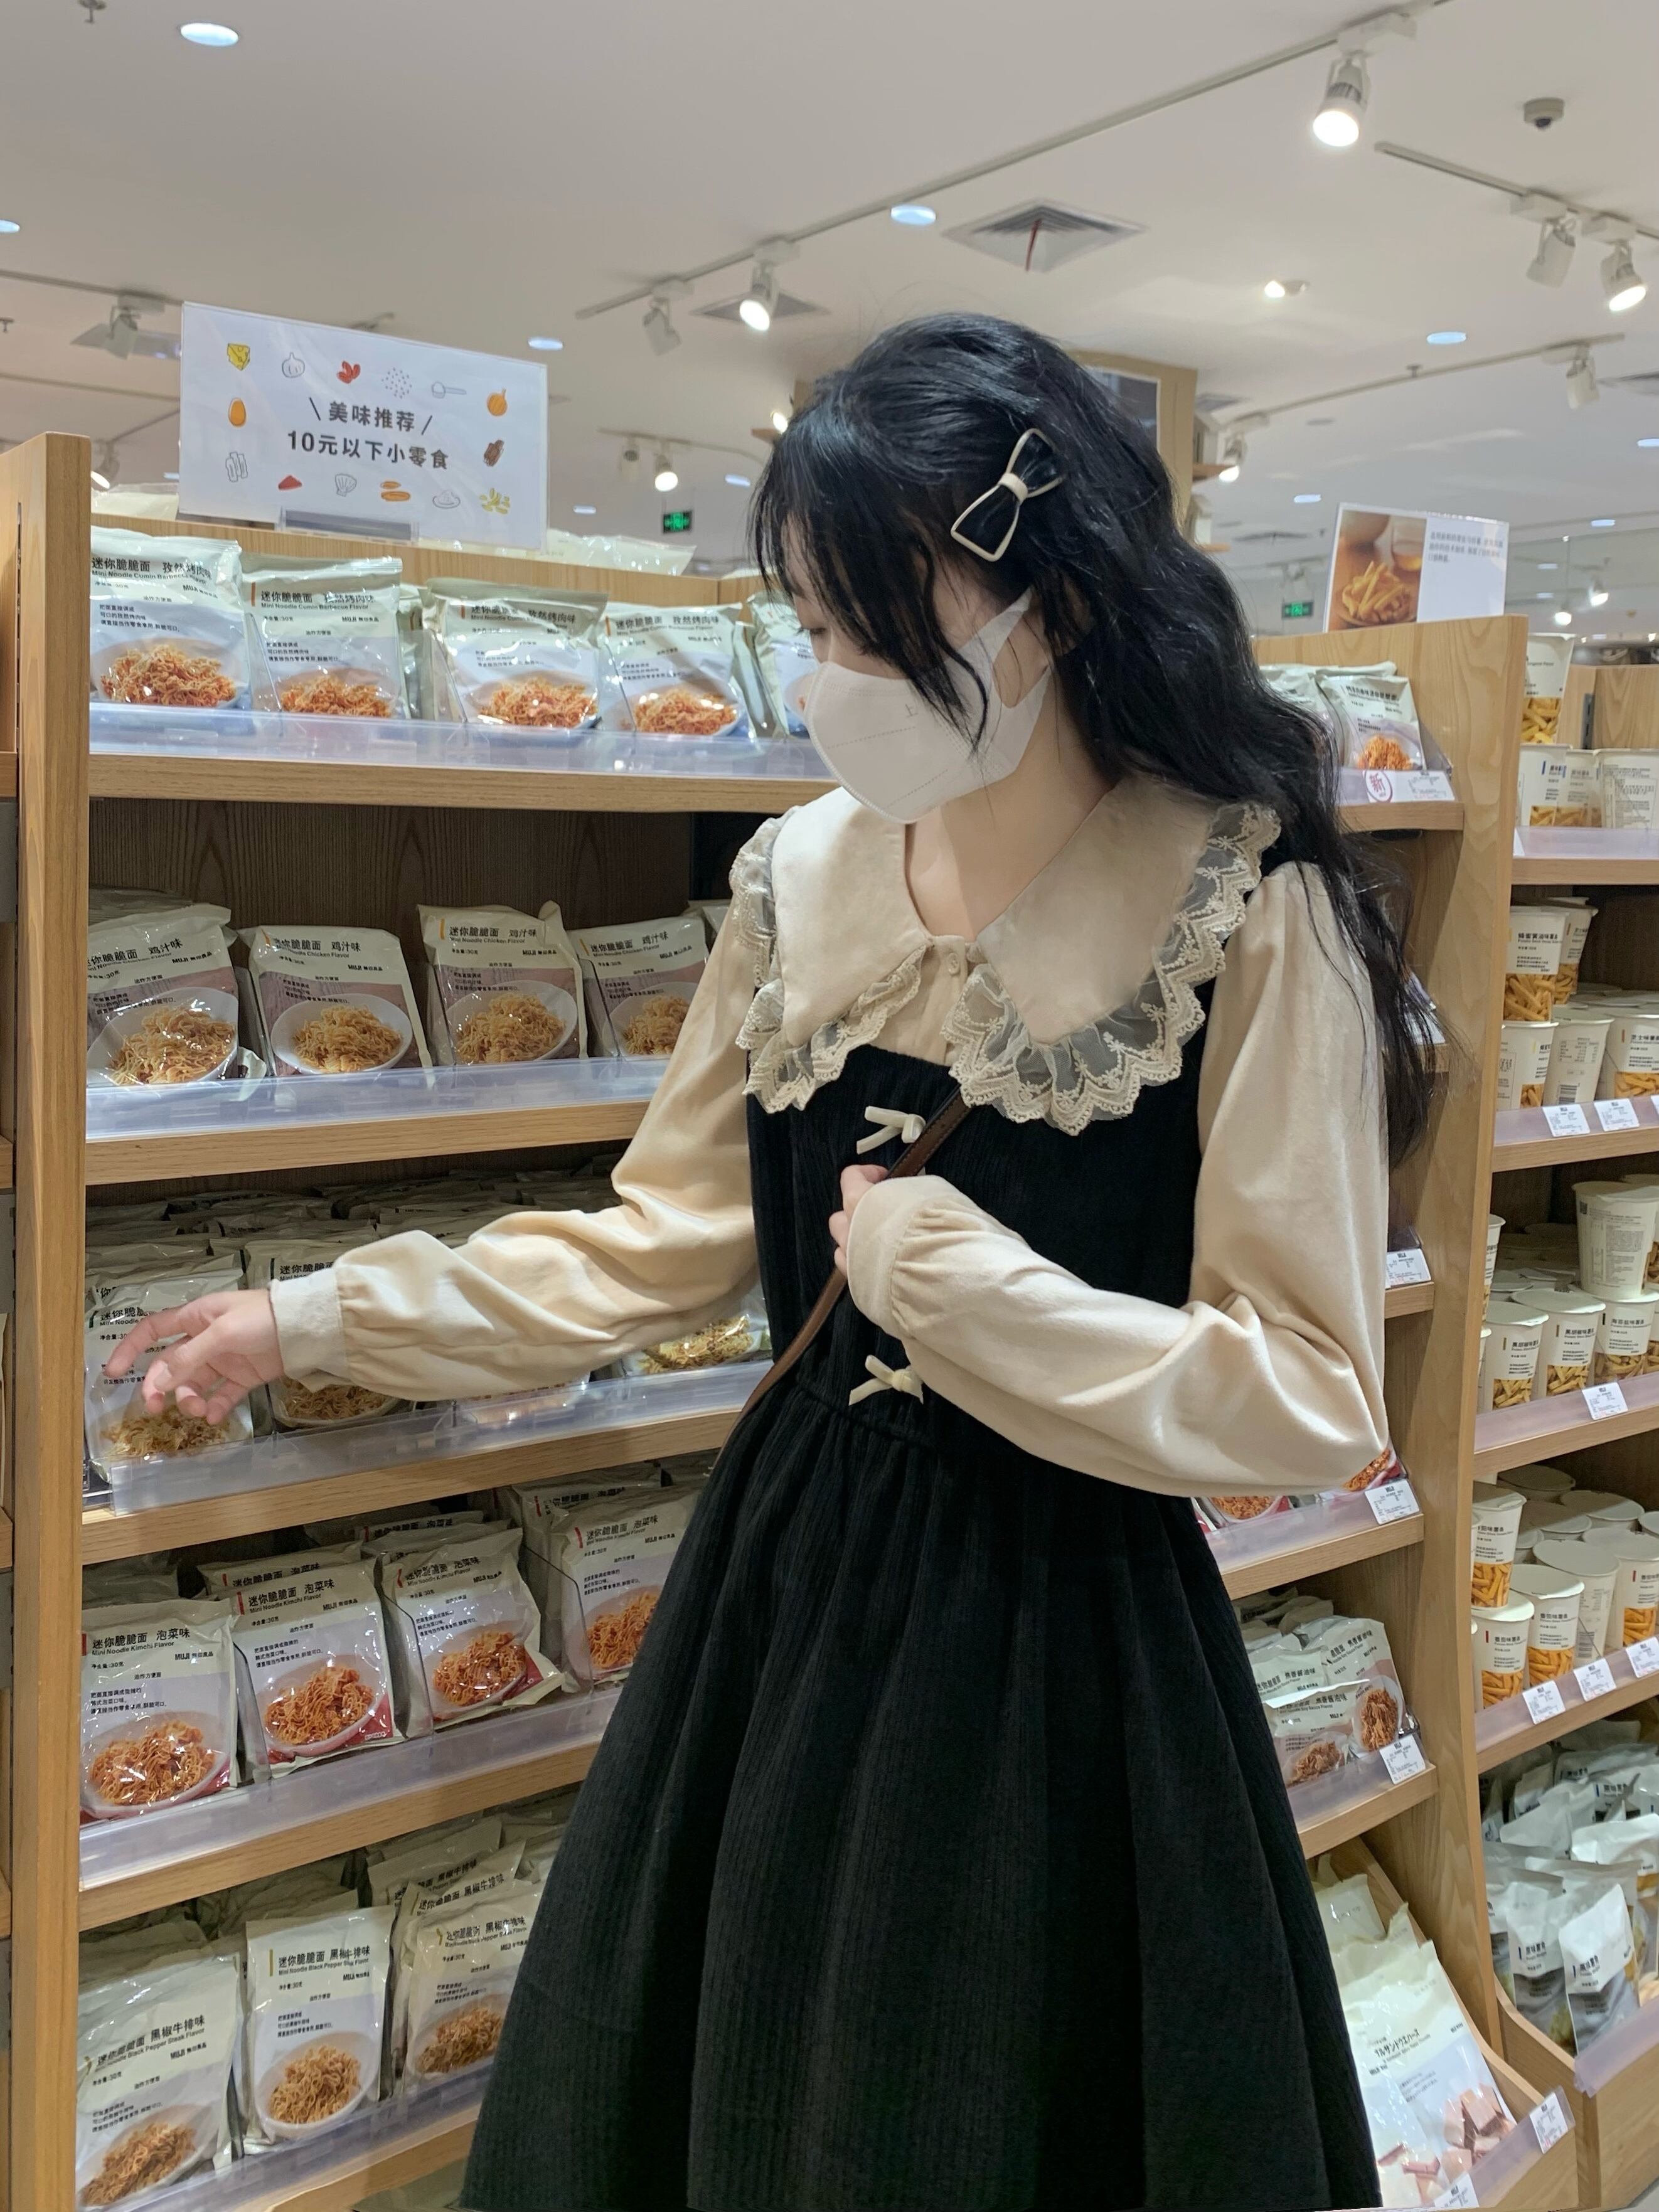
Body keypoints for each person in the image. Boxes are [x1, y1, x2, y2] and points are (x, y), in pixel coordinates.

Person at [109, 314, 1434, 2211]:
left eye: (872, 628)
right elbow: (654, 1253)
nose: (836, 682)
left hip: (1057, 1641)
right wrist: (304, 1317)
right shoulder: (800, 877)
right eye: (811, 626)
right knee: (729, 2095)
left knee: (966, 2115)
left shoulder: (1241, 900)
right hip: (785, 1586)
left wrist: (967, 1293)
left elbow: (1309, 1396)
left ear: (1053, 600)